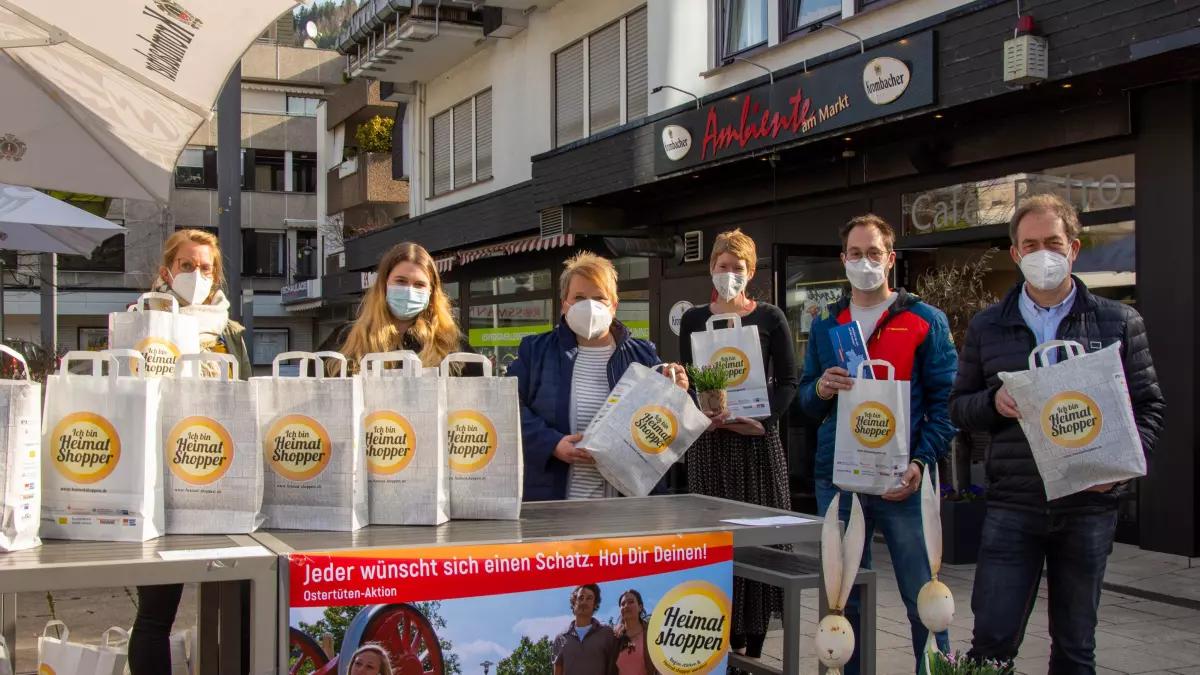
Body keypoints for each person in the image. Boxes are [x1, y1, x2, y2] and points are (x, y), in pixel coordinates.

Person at [950, 193, 1164, 674]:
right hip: (1013, 505)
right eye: (1030, 244)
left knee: (1074, 646)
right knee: (991, 642)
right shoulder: (988, 325)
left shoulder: (1118, 321)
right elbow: (958, 408)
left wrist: (1122, 471)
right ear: (1015, 253)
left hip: (1089, 506)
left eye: (1053, 241)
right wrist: (992, 404)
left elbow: (1149, 406)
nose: (1041, 252)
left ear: (1074, 248)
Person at [796, 214, 957, 674]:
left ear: (890, 259)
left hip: (902, 482)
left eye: (873, 253)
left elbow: (947, 406)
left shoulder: (925, 321)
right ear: (841, 259)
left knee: (924, 600)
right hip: (840, 482)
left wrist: (922, 463)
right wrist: (821, 390)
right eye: (855, 253)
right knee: (845, 603)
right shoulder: (827, 322)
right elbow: (807, 402)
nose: (864, 262)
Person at [129, 228, 250, 674]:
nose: (196, 275)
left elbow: (243, 394)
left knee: (240, 605)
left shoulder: (230, 331)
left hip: (218, 473)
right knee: (156, 614)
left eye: (205, 268)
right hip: (158, 479)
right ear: (166, 271)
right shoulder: (139, 321)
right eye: (187, 266)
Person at [677, 229, 797, 658]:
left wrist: (762, 421)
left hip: (756, 446)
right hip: (710, 449)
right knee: (714, 543)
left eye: (738, 267)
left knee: (759, 543)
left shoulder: (770, 317)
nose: (730, 274)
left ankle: (755, 647)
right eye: (722, 266)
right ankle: (718, 640)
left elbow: (788, 381)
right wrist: (698, 415)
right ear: (711, 267)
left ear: (751, 272)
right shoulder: (693, 320)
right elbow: (688, 382)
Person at [510, 252, 688, 501]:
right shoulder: (536, 351)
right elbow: (509, 408)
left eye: (599, 298)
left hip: (623, 506)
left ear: (614, 305)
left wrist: (677, 391)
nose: (589, 306)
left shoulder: (643, 355)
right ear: (564, 303)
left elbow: (663, 423)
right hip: (552, 502)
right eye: (579, 298)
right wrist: (552, 444)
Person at [330, 241, 471, 372]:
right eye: (401, 281)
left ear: (431, 292)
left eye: (419, 284)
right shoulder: (346, 338)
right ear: (383, 285)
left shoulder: (451, 345)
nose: (409, 290)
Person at [553, 584, 618, 675]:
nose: (584, 602)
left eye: (589, 598)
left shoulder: (607, 633)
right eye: (581, 597)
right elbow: (557, 671)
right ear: (574, 602)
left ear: (595, 604)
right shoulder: (560, 638)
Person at [614, 589, 656, 675]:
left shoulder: (652, 634)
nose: (626, 606)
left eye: (631, 602)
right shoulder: (613, 638)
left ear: (640, 607)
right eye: (623, 604)